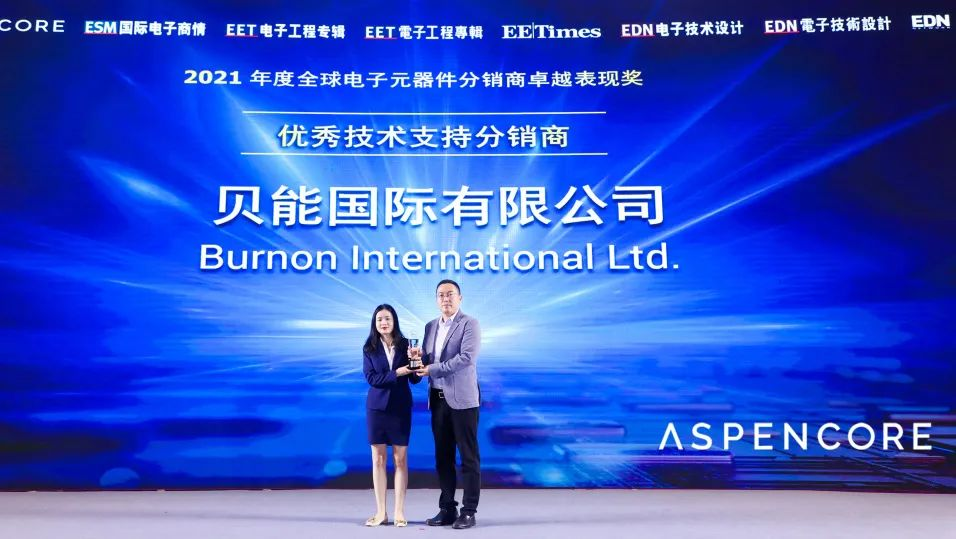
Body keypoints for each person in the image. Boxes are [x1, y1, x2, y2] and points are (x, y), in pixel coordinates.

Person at [410, 279, 482, 529]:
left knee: (469, 457)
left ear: (460, 298)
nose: (445, 299)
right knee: (443, 457)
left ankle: (469, 511)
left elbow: (466, 358)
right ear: (436, 299)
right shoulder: (430, 326)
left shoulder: (469, 323)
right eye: (441, 295)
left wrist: (431, 368)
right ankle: (447, 508)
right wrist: (418, 360)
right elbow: (430, 359)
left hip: (463, 400)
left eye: (450, 294)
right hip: (438, 400)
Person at [362, 304, 420, 527]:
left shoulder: (407, 345)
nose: (383, 323)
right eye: (379, 319)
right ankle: (380, 512)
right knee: (378, 459)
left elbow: (414, 379)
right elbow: (372, 379)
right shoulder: (369, 348)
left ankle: (399, 512)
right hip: (376, 409)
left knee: (400, 460)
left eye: (387, 318)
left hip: (400, 408)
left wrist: (416, 363)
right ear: (375, 323)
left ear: (394, 321)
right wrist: (397, 372)